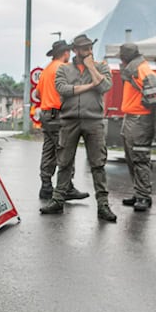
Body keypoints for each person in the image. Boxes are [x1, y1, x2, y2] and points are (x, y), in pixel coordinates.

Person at [39, 34, 117, 222]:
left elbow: (105, 86)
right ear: (75, 50)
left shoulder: (101, 67)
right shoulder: (63, 69)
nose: (88, 51)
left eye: (90, 48)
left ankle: (103, 205)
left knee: (98, 164)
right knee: (64, 161)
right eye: (84, 49)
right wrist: (91, 85)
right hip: (69, 120)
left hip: (94, 121)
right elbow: (62, 89)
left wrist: (91, 68)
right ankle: (58, 200)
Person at [36, 39, 88, 201]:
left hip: (46, 114)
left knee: (49, 151)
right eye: (69, 52)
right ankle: (67, 187)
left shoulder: (46, 70)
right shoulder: (63, 69)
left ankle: (46, 186)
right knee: (66, 151)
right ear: (65, 53)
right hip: (59, 115)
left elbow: (38, 94)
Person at [117, 43, 156, 211]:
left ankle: (143, 196)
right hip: (132, 118)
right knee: (132, 158)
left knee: (140, 158)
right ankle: (139, 192)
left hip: (140, 120)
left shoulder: (141, 70)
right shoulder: (135, 68)